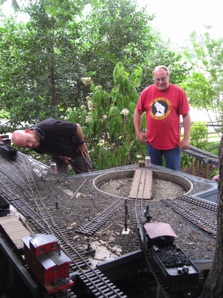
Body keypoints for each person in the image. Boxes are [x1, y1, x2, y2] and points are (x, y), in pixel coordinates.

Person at [134, 65, 191, 171]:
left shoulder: (179, 92)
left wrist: (186, 138)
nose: (160, 82)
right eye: (157, 79)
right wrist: (138, 133)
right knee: (153, 174)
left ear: (168, 76)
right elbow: (138, 112)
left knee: (173, 176)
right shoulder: (146, 92)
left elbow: (186, 115)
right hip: (152, 143)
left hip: (173, 143)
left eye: (163, 79)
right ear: (154, 79)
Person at [11, 118, 92, 175]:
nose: (30, 145)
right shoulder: (32, 144)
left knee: (85, 177)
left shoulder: (50, 126)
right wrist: (61, 157)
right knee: (58, 178)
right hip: (58, 154)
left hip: (76, 149)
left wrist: (82, 143)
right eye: (26, 146)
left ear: (28, 131)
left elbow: (76, 127)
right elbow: (46, 151)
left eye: (28, 141)